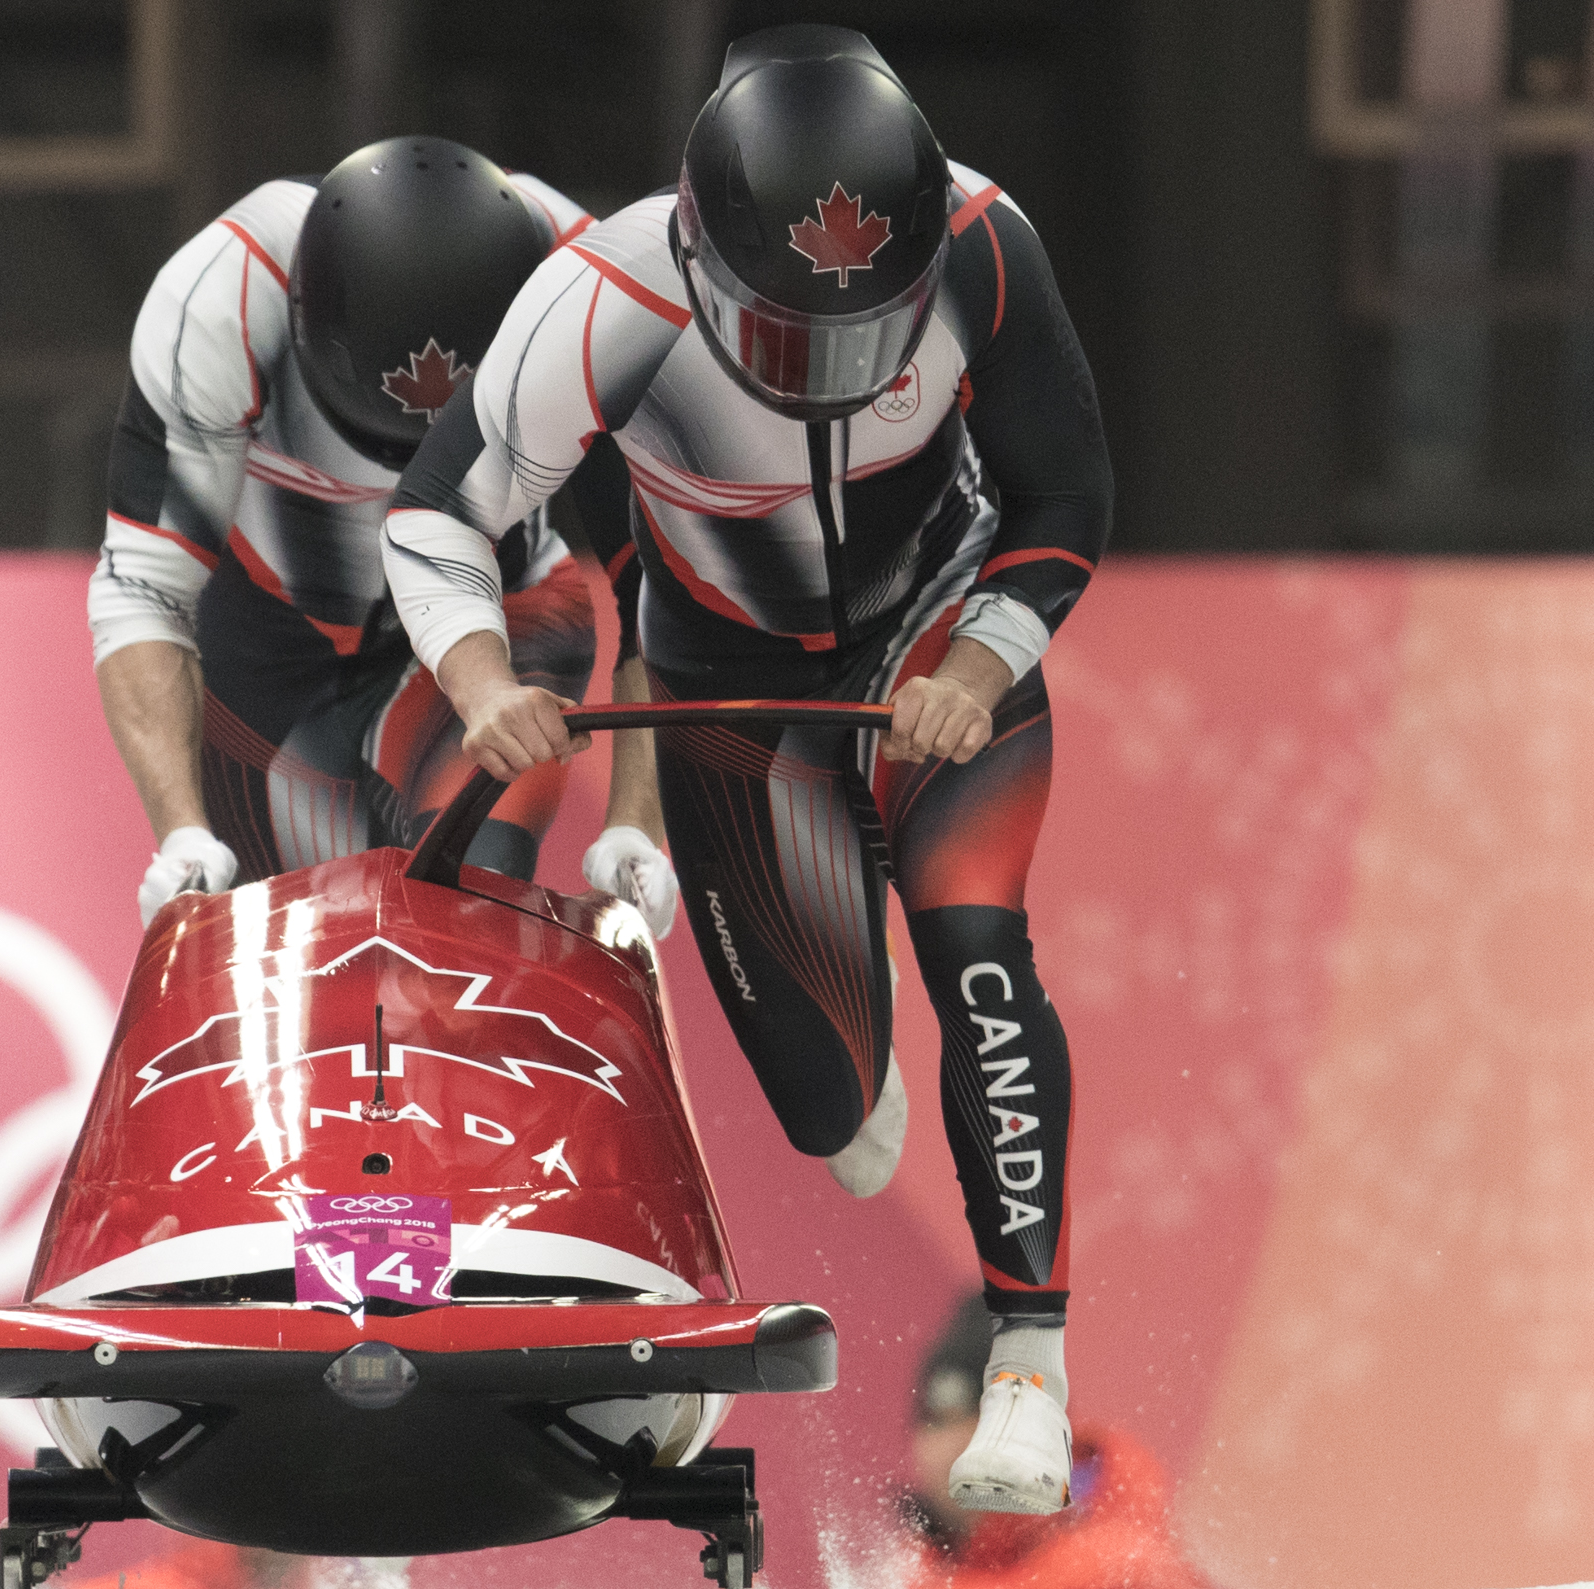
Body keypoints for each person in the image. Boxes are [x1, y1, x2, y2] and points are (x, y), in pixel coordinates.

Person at [383, 25, 1109, 1513]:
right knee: (835, 1115)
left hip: (934, 619)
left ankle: (1028, 1359)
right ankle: (851, 1048)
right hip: (727, 684)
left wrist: (979, 663)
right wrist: (475, 677)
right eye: (786, 337)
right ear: (703, 266)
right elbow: (435, 514)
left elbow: (1065, 491)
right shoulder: (606, 294)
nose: (830, 376)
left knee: (977, 937)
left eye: (866, 335)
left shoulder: (983, 246)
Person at [90, 135, 675, 932]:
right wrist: (182, 832)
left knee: (462, 916)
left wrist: (637, 820)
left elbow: (660, 581)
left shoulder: (594, 289)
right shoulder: (218, 299)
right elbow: (144, 588)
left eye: (448, 457)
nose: (414, 489)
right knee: (308, 953)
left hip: (502, 621)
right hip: (273, 648)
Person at [897, 1295, 1212, 1589]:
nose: (953, 1444)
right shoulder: (914, 1572)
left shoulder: (1119, 1567)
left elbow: (1118, 1568)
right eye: (935, 1421)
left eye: (982, 1416)